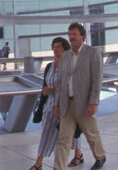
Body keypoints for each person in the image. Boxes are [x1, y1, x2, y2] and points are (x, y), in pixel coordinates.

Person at [53, 22, 105, 170]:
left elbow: (97, 80)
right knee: (63, 140)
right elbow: (60, 82)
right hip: (66, 104)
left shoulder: (92, 53)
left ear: (82, 36)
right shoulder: (65, 57)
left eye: (74, 34)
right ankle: (58, 168)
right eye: (69, 34)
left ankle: (100, 156)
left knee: (91, 133)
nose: (71, 37)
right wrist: (57, 105)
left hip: (84, 102)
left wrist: (93, 102)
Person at [30, 37, 87, 170]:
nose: (55, 49)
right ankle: (40, 161)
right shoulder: (50, 66)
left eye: (59, 47)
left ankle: (39, 163)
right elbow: (45, 85)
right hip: (50, 105)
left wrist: (53, 89)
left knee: (70, 132)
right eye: (54, 47)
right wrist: (40, 107)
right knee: (46, 132)